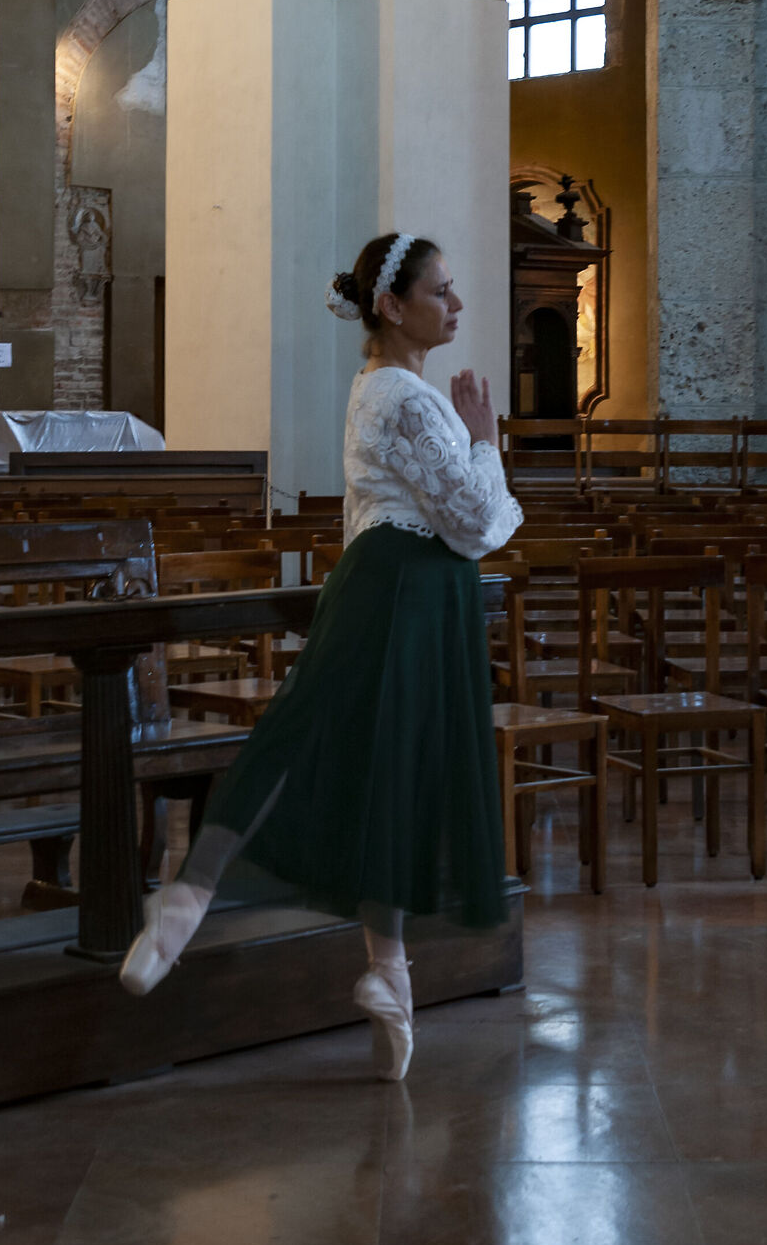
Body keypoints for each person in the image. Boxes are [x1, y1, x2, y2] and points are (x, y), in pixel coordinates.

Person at [119, 230, 523, 1080]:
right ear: (393, 306)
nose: (456, 305)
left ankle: (388, 973)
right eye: (441, 291)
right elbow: (479, 522)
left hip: (415, 589)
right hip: (404, 589)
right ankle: (185, 903)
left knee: (391, 774)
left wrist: (474, 447)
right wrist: (487, 440)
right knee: (308, 743)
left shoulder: (392, 389)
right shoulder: (403, 398)